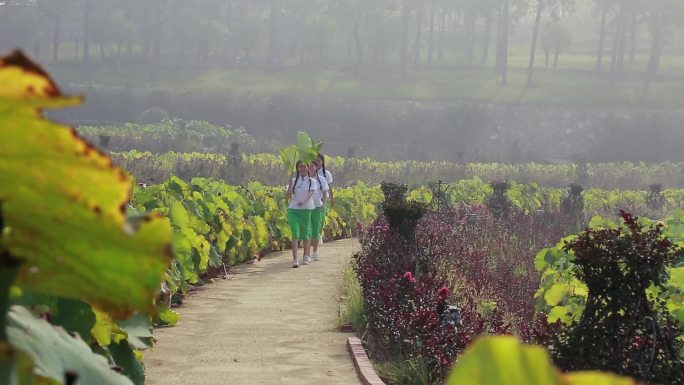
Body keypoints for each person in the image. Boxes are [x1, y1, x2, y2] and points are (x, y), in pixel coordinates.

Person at [286, 160, 317, 268]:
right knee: (295, 234)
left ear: (308, 168)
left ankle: (306, 256)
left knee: (305, 233)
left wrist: (303, 202)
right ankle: (295, 260)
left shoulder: (312, 181)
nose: (302, 169)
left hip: (306, 209)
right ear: (297, 169)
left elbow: (310, 194)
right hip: (293, 210)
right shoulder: (294, 180)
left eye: (304, 166)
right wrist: (290, 186)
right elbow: (288, 196)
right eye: (300, 167)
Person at [309, 160, 329, 261]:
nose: (310, 168)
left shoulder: (321, 180)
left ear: (316, 168)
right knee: (307, 230)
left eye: (312, 166)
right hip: (306, 208)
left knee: (316, 229)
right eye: (308, 166)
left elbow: (325, 193)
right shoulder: (304, 180)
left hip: (317, 207)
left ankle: (315, 251)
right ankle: (307, 253)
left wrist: (324, 203)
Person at [314, 154, 333, 253]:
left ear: (322, 162)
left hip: (324, 200)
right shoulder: (310, 172)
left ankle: (319, 235)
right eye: (315, 160)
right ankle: (315, 237)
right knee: (314, 220)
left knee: (321, 220)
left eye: (319, 161)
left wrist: (332, 199)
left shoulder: (326, 174)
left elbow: (330, 187)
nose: (317, 162)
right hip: (313, 200)